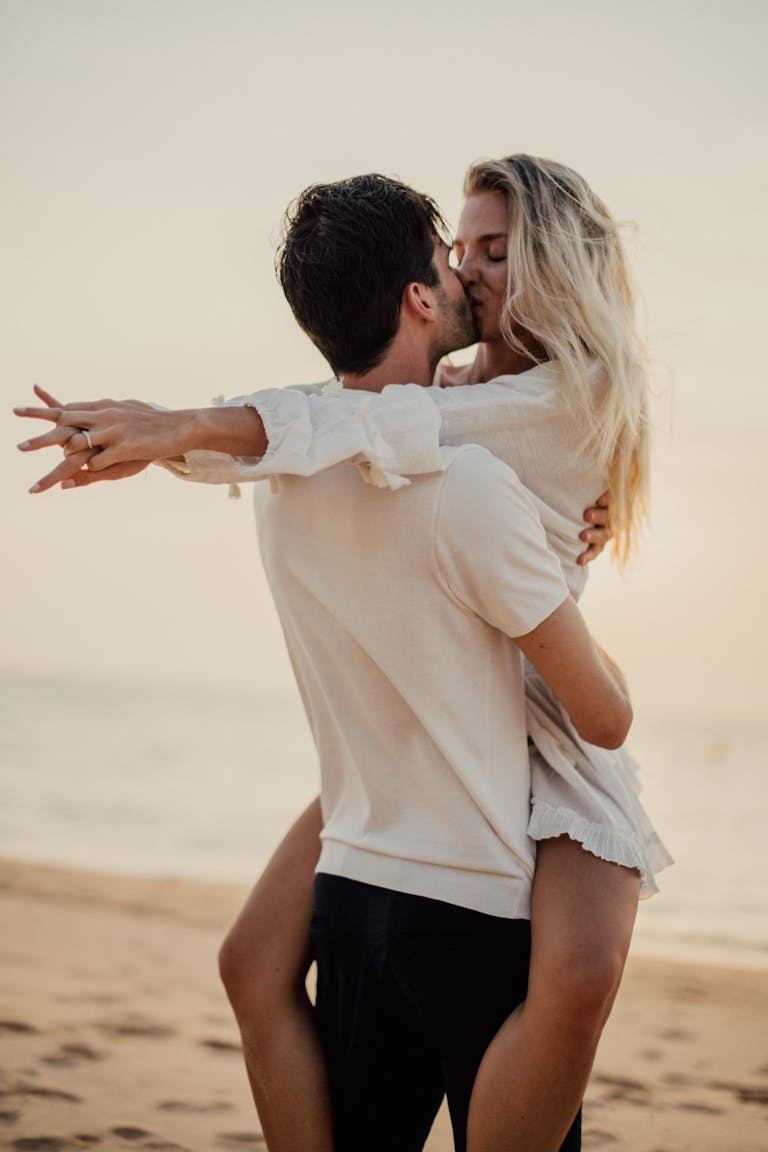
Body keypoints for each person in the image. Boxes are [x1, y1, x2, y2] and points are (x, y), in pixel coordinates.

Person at [15, 159, 670, 1151]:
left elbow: (368, 424)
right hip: (436, 709)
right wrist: (181, 441)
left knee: (579, 979)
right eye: (461, 249)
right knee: (253, 955)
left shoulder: (574, 396)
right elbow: (345, 420)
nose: (468, 269)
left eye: (496, 252)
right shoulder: (450, 379)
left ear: (559, 263)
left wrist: (184, 428)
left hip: (547, 718)